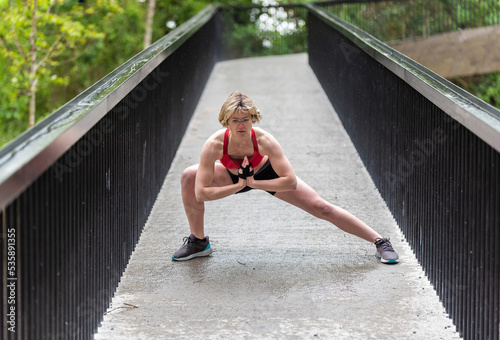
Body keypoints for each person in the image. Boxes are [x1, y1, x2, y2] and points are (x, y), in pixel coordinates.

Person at [172, 91, 399, 264]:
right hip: (234, 177)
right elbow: (201, 193)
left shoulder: (264, 141)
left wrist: (253, 183)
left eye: (246, 119)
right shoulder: (214, 144)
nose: (241, 125)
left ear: (253, 118)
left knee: (322, 207)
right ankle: (199, 242)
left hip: (266, 175)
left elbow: (289, 180)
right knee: (189, 176)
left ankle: (380, 241)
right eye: (235, 120)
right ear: (226, 121)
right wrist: (240, 184)